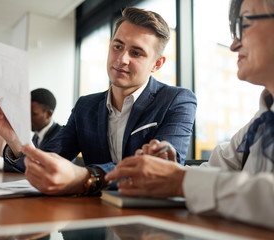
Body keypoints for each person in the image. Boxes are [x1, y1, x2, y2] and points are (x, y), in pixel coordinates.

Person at [0, 7, 197, 195]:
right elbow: (44, 161)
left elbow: (162, 170)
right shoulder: (85, 107)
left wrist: (86, 176)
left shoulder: (177, 101)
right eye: (118, 46)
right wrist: (15, 138)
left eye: (136, 52)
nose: (122, 59)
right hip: (93, 215)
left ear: (157, 64)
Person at [106, 0, 274, 229]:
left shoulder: (177, 99)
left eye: (244, 24)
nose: (234, 44)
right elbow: (218, 167)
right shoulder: (261, 121)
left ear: (157, 64)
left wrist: (181, 181)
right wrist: (169, 174)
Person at [3, 88, 62, 172]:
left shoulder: (60, 135)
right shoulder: (35, 137)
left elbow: (43, 166)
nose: (27, 118)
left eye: (33, 114)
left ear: (48, 114)